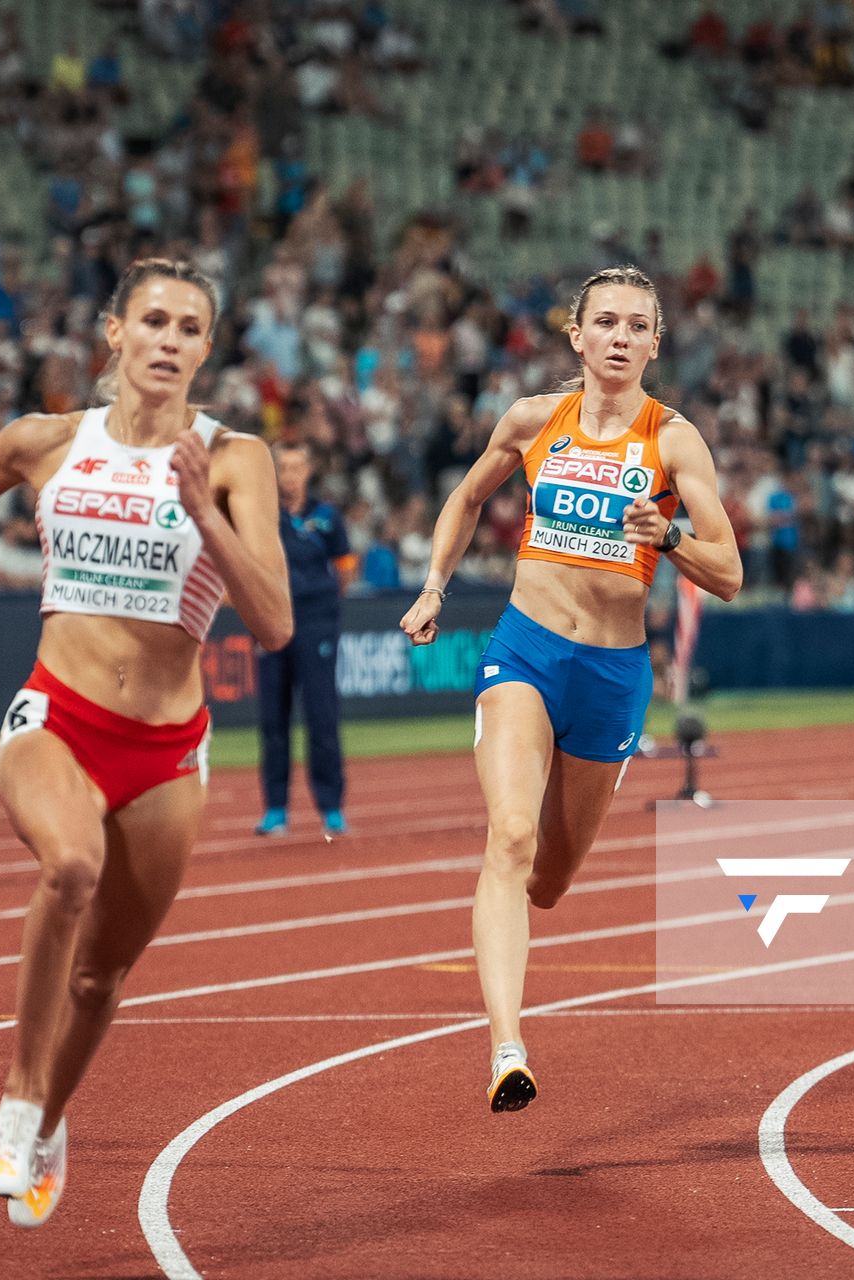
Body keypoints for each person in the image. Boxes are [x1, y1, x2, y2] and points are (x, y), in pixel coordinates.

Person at [0, 259, 291, 1226]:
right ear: (115, 335)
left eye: (190, 328)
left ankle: (50, 1120)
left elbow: (277, 623)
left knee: (102, 974)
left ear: (207, 350)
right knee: (71, 867)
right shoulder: (47, 442)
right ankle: (14, 1100)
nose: (170, 340)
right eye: (155, 321)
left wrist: (207, 514)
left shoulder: (233, 457)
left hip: (167, 751)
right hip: (56, 715)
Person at [399, 265, 741, 1112]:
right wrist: (436, 585)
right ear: (577, 336)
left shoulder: (674, 440)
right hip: (525, 651)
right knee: (508, 838)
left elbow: (729, 569)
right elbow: (466, 496)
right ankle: (506, 1047)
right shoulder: (530, 421)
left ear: (656, 345)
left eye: (638, 326)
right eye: (607, 323)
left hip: (614, 675)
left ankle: (515, 996)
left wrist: (669, 537)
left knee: (548, 880)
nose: (621, 338)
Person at [255, 441, 354, 835]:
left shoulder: (327, 516)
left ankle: (331, 806)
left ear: (308, 470)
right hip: (271, 624)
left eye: (297, 467)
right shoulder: (261, 515)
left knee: (322, 717)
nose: (290, 475)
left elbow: (344, 568)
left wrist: (323, 602)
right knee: (272, 720)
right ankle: (275, 808)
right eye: (283, 467)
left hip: (316, 624)